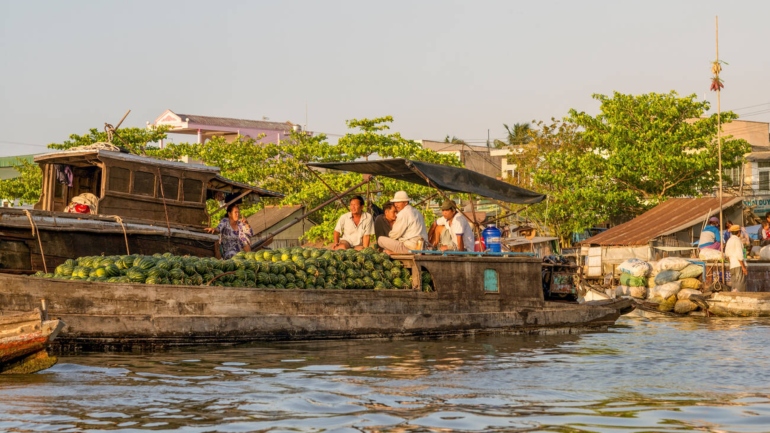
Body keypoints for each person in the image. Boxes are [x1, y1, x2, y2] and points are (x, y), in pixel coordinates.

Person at [377, 191, 429, 255]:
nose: (396, 205)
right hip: (422, 246)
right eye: (395, 202)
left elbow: (394, 235)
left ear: (406, 202)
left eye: (398, 202)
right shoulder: (417, 212)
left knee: (380, 240)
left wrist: (390, 242)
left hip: (410, 247)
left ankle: (396, 252)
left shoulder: (403, 213)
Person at [724, 224, 747, 292]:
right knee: (740, 285)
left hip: (732, 266)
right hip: (738, 265)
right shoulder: (737, 240)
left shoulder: (729, 240)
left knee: (734, 286)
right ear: (739, 232)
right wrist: (743, 267)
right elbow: (739, 255)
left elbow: (727, 255)